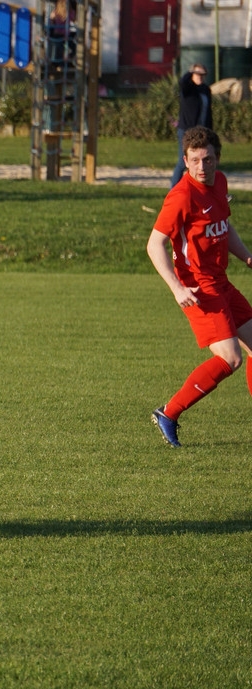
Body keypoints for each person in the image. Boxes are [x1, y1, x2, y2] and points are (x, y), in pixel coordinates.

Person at [147, 126, 252, 447]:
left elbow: (224, 225)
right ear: (185, 160)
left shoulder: (219, 183)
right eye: (194, 160)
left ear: (217, 158)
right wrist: (178, 289)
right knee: (230, 358)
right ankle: (169, 413)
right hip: (199, 289)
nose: (201, 167)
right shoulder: (181, 196)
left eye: (207, 160)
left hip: (221, 282)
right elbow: (155, 245)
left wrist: (247, 257)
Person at [171, 64, 214, 188]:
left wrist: (210, 131)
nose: (201, 77)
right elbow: (182, 82)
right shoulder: (188, 88)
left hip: (202, 131)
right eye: (198, 74)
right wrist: (190, 72)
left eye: (203, 75)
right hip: (186, 130)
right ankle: (173, 189)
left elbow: (208, 112)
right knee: (183, 163)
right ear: (192, 74)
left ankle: (199, 188)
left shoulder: (205, 89)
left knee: (203, 160)